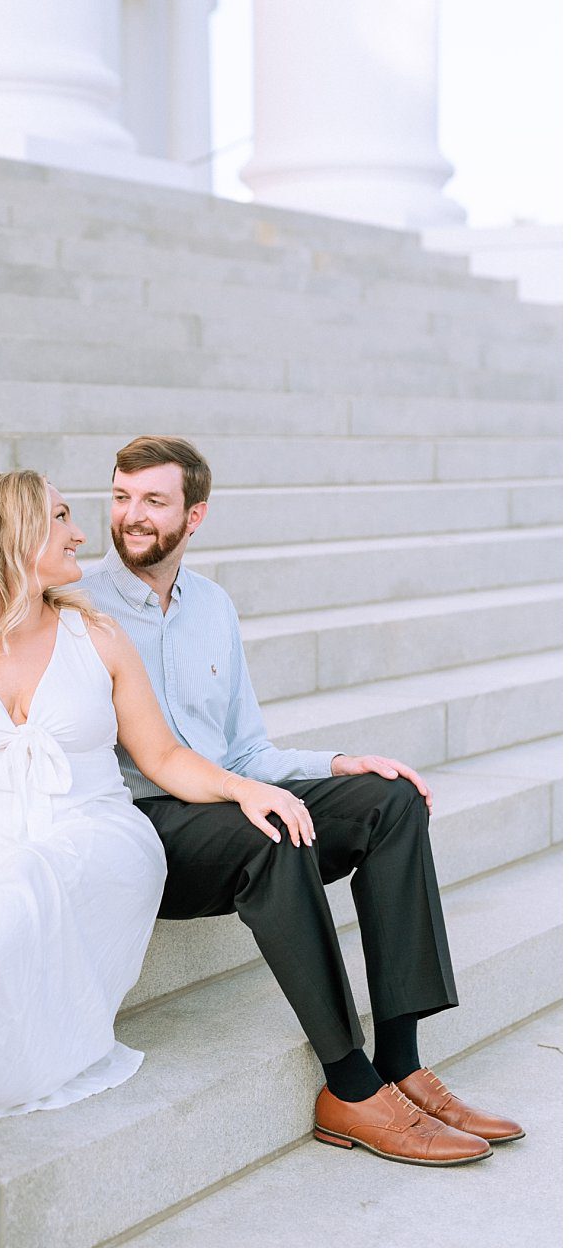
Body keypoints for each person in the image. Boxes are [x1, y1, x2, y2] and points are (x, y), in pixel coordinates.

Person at [0, 470, 329, 1191]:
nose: (80, 532)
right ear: (17, 533)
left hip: (101, 840)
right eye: (60, 517)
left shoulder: (100, 636)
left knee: (19, 882)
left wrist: (246, 787)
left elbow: (166, 757)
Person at [81, 435, 523, 1167]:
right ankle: (349, 1089)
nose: (131, 516)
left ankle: (401, 1065)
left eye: (153, 501)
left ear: (194, 517)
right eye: (122, 497)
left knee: (391, 801)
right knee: (273, 835)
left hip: (228, 796)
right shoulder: (78, 607)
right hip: (146, 825)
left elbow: (247, 750)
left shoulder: (213, 607)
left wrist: (341, 763)